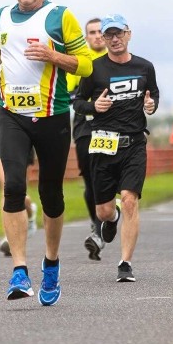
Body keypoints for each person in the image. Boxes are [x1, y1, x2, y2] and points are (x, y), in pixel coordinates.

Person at [0, 0, 92, 305]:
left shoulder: (61, 16)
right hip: (12, 115)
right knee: (12, 186)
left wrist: (53, 56)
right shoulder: (1, 16)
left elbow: (86, 63)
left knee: (51, 195)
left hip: (52, 116)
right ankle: (19, 270)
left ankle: (52, 263)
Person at [73, 14, 158, 282]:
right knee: (104, 211)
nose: (114, 39)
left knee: (131, 199)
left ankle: (125, 263)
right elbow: (77, 102)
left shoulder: (145, 66)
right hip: (102, 144)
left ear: (128, 34)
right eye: (108, 35)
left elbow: (153, 93)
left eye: (118, 33)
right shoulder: (94, 69)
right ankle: (112, 218)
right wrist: (93, 107)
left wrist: (151, 105)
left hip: (133, 143)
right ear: (104, 39)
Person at [66, 17, 108, 260]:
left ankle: (108, 217)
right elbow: (68, 89)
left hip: (112, 126)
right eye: (91, 32)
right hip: (84, 126)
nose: (96, 36)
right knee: (90, 178)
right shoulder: (81, 63)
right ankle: (97, 227)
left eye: (100, 32)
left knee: (109, 174)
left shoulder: (116, 61)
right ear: (86, 36)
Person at [0, 85, 38, 256]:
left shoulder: (30, 83)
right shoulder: (0, 87)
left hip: (26, 140)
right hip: (4, 139)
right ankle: (8, 235)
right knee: (7, 189)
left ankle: (30, 210)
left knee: (20, 190)